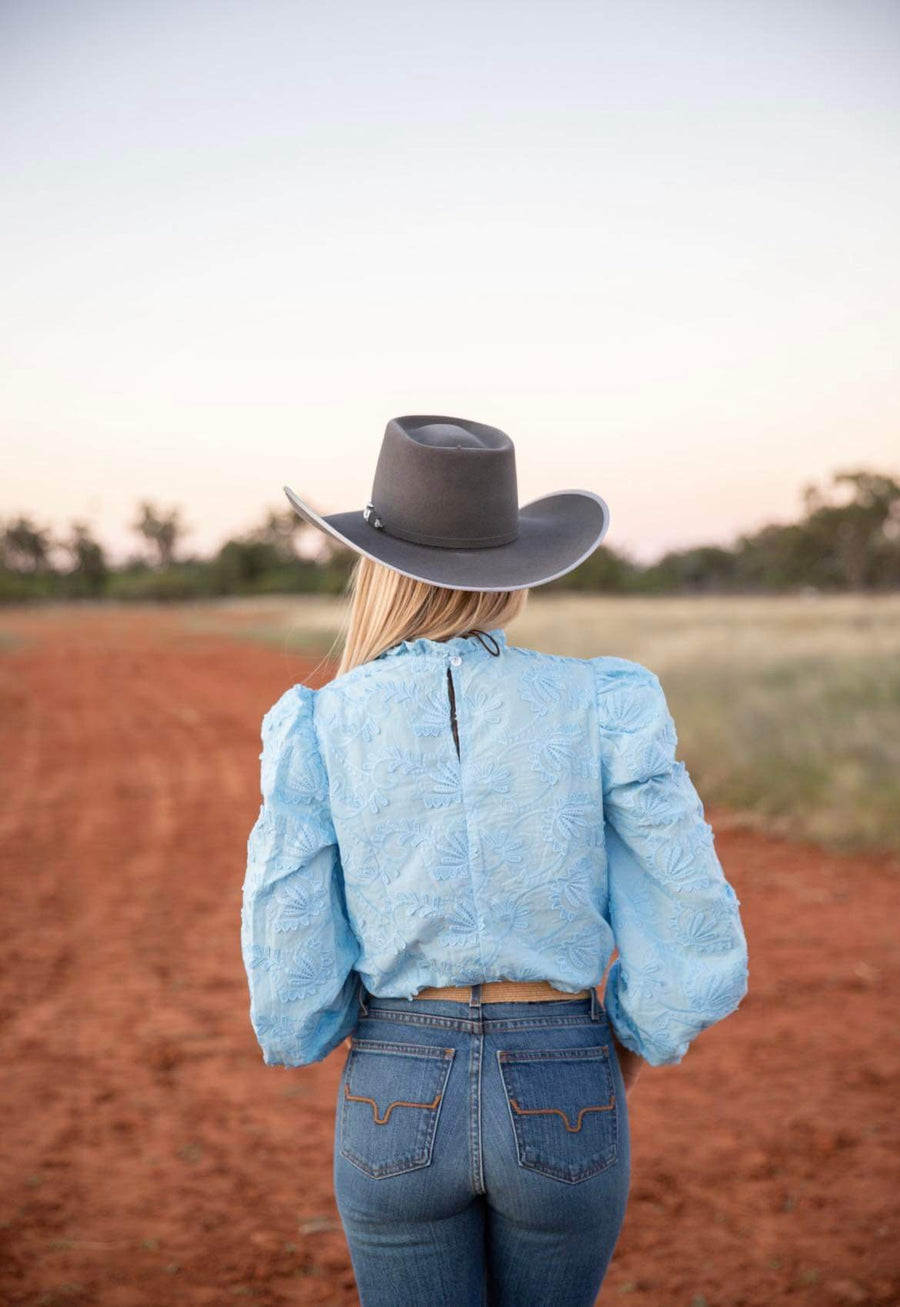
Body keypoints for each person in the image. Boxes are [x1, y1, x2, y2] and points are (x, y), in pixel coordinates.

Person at [240, 415, 749, 1307]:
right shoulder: (603, 701)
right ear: (512, 570)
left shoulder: (319, 723)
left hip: (396, 1077)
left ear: (377, 570)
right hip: (566, 1073)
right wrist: (613, 1050)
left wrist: (369, 1045)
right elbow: (689, 911)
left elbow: (290, 958)